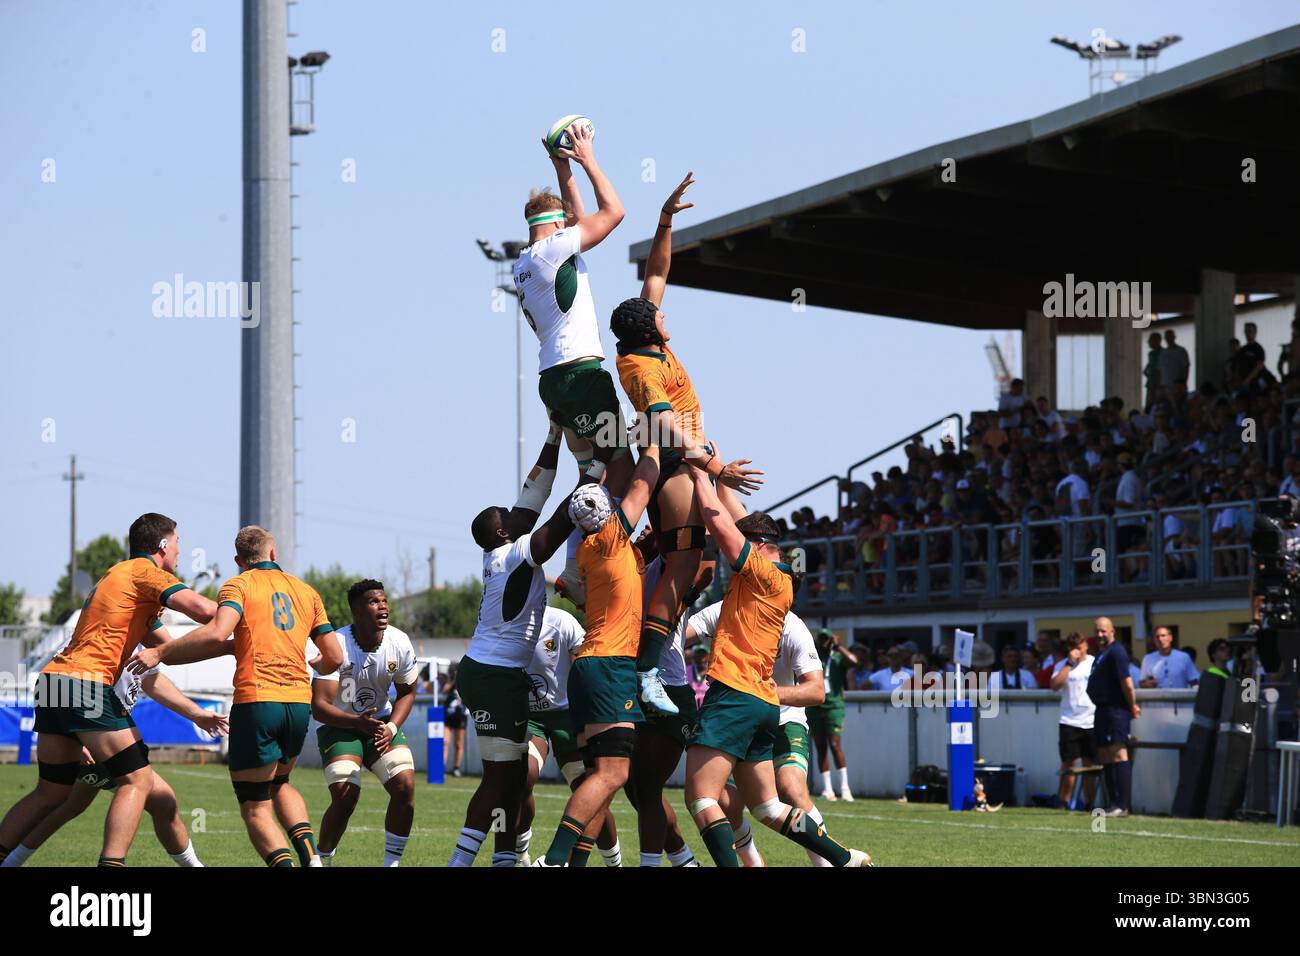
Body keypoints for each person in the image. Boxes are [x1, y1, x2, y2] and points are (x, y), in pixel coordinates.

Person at [611, 173, 764, 716]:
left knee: (700, 569)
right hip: (674, 459)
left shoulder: (648, 340)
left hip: (688, 455)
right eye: (658, 313)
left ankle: (652, 641)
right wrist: (713, 464)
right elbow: (661, 421)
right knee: (683, 566)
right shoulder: (641, 364)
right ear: (648, 326)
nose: (664, 311)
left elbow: (656, 270)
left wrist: (665, 219)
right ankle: (646, 667)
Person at [0, 512, 217, 868]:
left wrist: (232, 646)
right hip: (85, 686)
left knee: (52, 793)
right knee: (137, 783)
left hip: (54, 683)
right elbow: (205, 610)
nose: (180, 551)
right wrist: (242, 612)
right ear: (162, 545)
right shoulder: (145, 572)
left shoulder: (124, 583)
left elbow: (170, 652)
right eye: (178, 542)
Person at [680, 466, 871, 867]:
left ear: (759, 546)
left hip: (733, 693)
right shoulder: (771, 577)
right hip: (760, 705)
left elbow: (725, 531)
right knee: (767, 808)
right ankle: (844, 859)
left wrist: (697, 472)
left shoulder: (763, 574)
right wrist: (719, 475)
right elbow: (735, 522)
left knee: (701, 797)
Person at [133, 525, 344, 867]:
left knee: (254, 806)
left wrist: (162, 651)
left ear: (238, 560)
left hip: (258, 700)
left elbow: (218, 631)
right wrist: (317, 661)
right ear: (274, 554)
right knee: (281, 782)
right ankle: (313, 860)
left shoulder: (238, 585)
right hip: (297, 703)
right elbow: (334, 656)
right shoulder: (307, 592)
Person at [449, 427, 579, 867]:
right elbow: (559, 521)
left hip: (487, 672)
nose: (517, 508)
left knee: (509, 782)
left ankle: (505, 859)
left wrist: (555, 434)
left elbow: (535, 491)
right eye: (509, 512)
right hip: (496, 677)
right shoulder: (514, 554)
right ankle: (460, 862)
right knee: (500, 781)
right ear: (504, 529)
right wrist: (589, 484)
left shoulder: (499, 550)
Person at [537, 443, 662, 867]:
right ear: (608, 514)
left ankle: (571, 862)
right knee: (614, 774)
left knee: (600, 777)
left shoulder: (590, 547)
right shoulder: (609, 537)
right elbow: (643, 485)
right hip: (609, 664)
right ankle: (552, 860)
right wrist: (654, 438)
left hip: (592, 663)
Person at [0, 641, 226, 867]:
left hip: (101, 739)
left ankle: (10, 862)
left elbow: (152, 680)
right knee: (155, 796)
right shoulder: (98, 637)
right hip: (94, 739)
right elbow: (59, 681)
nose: (158, 614)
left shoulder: (134, 639)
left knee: (62, 805)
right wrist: (76, 738)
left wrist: (196, 713)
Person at [689, 597, 833, 866]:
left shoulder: (792, 626)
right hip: (740, 718)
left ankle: (828, 862)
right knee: (720, 798)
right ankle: (753, 860)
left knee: (791, 790)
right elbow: (685, 632)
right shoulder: (726, 607)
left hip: (783, 720)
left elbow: (817, 691)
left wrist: (764, 694)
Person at [311, 580, 419, 867]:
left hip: (379, 723)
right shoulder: (336, 645)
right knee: (346, 796)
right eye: (373, 602)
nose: (382, 606)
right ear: (356, 610)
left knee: (405, 786)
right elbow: (320, 707)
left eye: (384, 601)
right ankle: (323, 858)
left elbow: (408, 692)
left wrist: (392, 727)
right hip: (339, 725)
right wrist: (355, 722)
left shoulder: (399, 642)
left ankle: (391, 864)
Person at [1086, 616, 1140, 817]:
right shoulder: (1102, 653)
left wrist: (1132, 705)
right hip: (1102, 710)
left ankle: (1123, 805)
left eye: (1103, 631)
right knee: (1106, 755)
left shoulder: (1117, 651)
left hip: (1115, 710)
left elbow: (1126, 682)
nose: (1100, 635)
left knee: (1119, 753)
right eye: (1097, 631)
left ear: (1112, 631)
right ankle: (1112, 802)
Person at [808, 628, 858, 802]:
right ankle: (827, 789)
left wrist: (839, 646)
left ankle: (845, 788)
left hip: (833, 706)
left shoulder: (836, 658)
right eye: (821, 639)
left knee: (835, 745)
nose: (824, 642)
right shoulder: (812, 658)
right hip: (814, 706)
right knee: (820, 747)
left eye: (826, 639)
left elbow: (854, 662)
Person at [1050, 632, 1097, 810]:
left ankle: (1090, 802)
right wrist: (1069, 664)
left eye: (1079, 646)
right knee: (1069, 763)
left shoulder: (1094, 663)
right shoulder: (1063, 665)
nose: (1077, 650)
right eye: (1073, 647)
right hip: (1069, 720)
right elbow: (1054, 686)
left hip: (1091, 719)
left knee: (1089, 765)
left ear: (1086, 645)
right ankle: (1064, 800)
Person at [441, 664, 466, 776]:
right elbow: (444, 690)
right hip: (448, 715)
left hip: (460, 715)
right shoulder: (450, 682)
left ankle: (456, 767)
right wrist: (453, 680)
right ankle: (442, 767)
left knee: (458, 743)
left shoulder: (465, 682)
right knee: (445, 742)